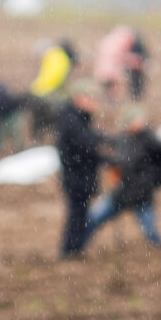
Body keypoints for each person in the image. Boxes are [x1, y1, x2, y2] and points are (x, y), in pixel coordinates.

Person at [86, 111, 161, 247]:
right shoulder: (123, 139)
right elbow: (107, 142)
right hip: (121, 193)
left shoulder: (149, 140)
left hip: (141, 195)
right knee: (92, 220)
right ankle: (76, 246)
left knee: (151, 232)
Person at [53, 85, 106, 259]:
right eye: (89, 98)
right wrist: (106, 157)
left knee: (79, 214)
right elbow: (85, 145)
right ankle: (70, 250)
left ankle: (74, 249)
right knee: (76, 214)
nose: (93, 102)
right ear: (78, 98)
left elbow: (88, 140)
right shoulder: (71, 120)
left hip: (80, 175)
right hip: (76, 176)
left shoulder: (77, 118)